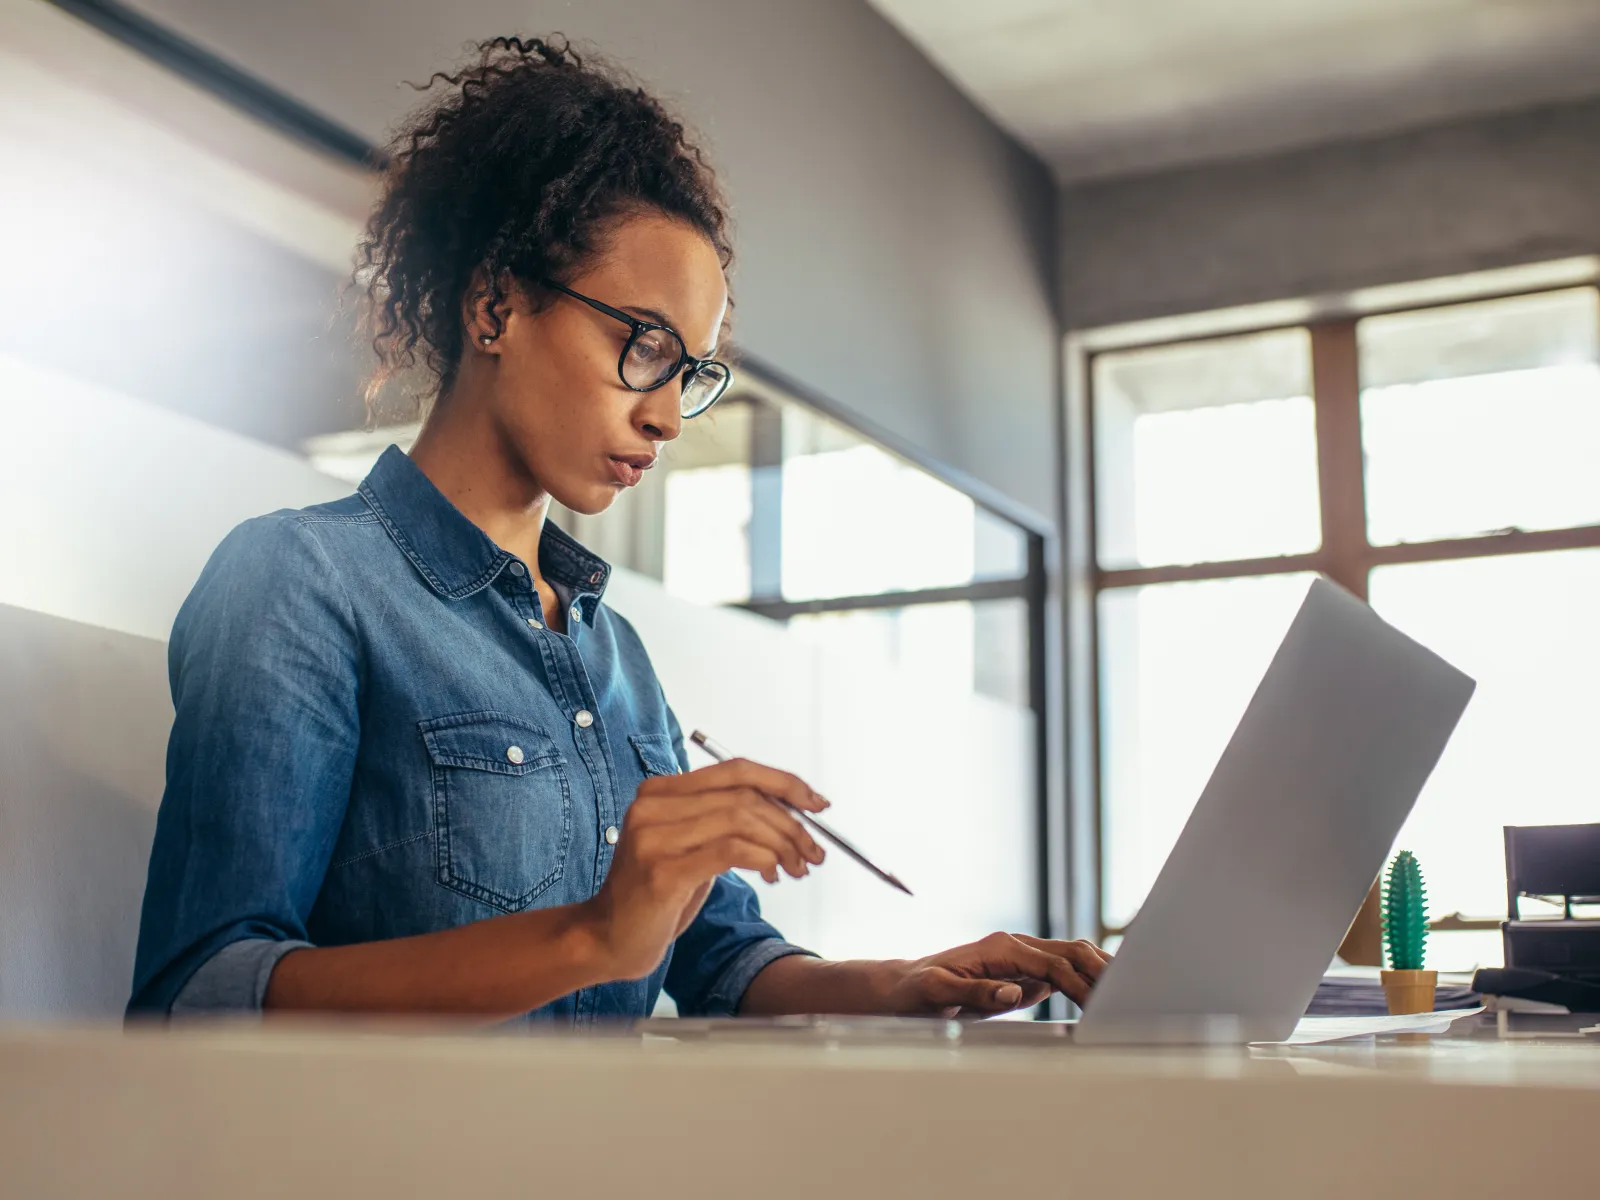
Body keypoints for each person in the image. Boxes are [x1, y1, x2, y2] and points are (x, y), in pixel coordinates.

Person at [128, 36, 1108, 1024]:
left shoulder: (614, 656)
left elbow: (723, 962)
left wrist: (903, 983)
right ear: (495, 304)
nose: (669, 416)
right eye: (642, 346)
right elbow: (200, 997)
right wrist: (592, 936)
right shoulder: (301, 582)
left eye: (691, 372)